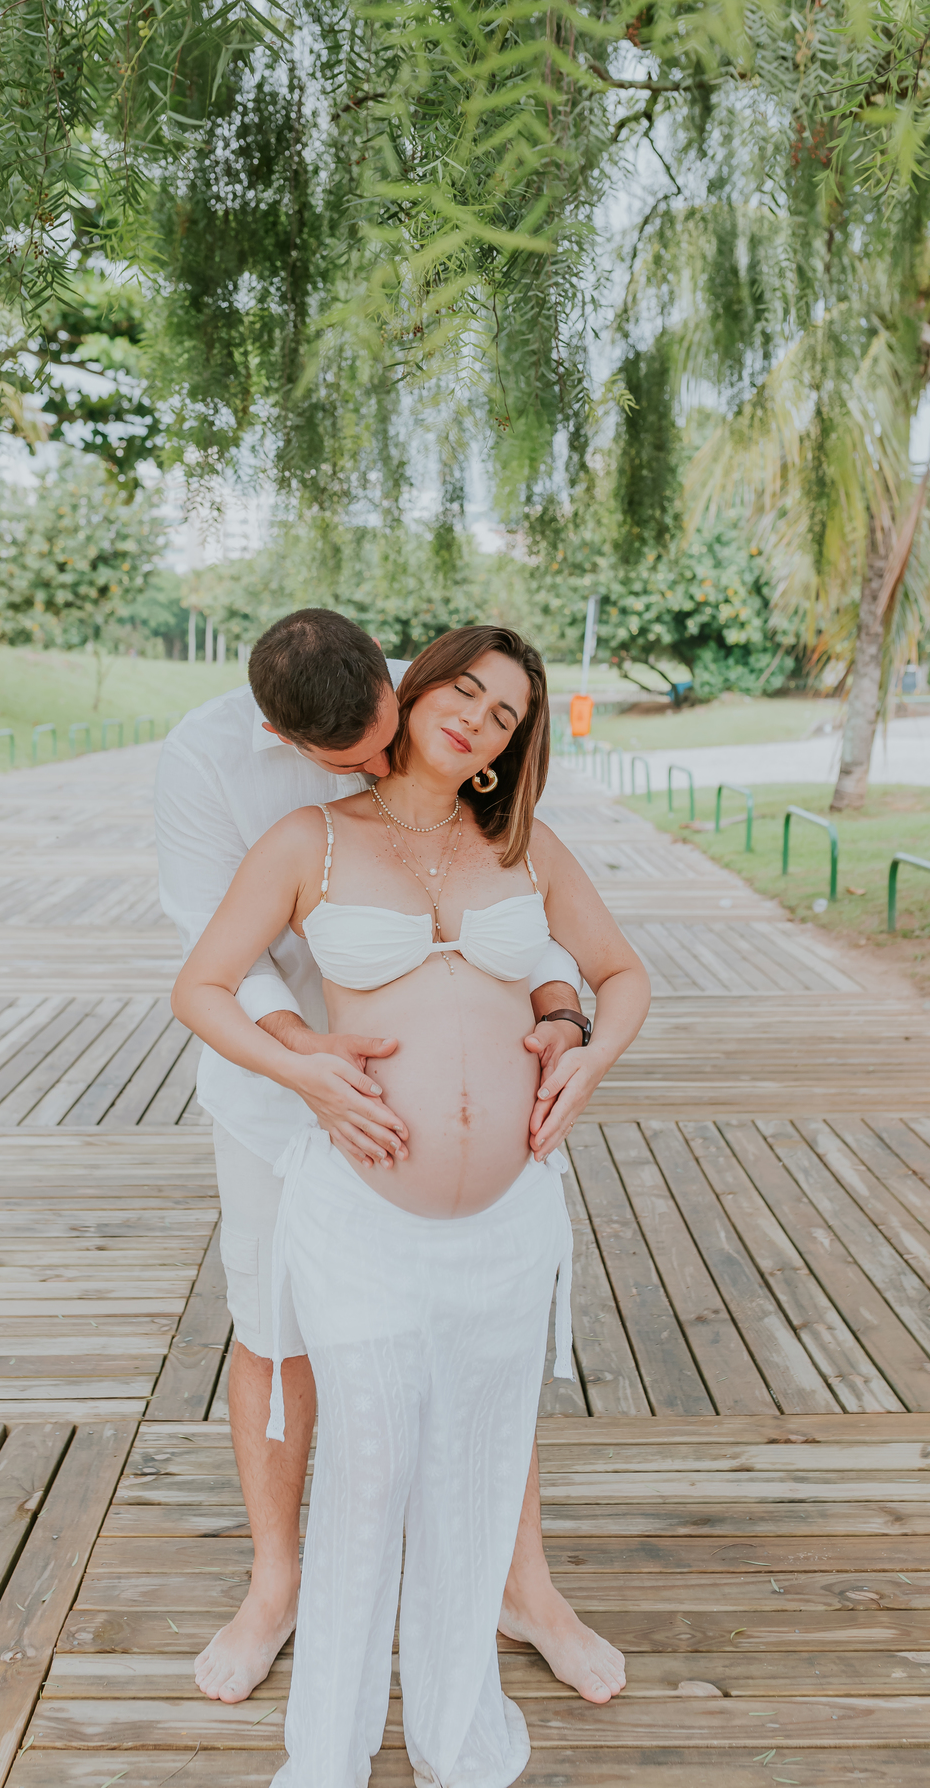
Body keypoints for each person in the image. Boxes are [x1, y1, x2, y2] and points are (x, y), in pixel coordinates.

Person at [172, 624, 650, 1785]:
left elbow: (620, 972)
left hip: (507, 1225)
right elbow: (202, 986)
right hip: (364, 1222)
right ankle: (329, 1751)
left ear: (506, 748)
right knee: (373, 1468)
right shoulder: (309, 838)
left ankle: (456, 1734)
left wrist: (588, 1048)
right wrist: (302, 1067)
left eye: (504, 716)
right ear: (415, 684)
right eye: (468, 691)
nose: (480, 718)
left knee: (478, 1468)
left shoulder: (527, 844)